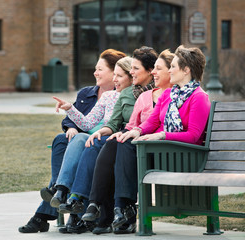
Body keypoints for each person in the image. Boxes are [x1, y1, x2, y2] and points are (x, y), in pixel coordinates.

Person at [84, 45, 211, 235]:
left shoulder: (199, 97)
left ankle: (122, 208)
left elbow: (193, 136)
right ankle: (110, 206)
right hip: (159, 150)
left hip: (182, 154)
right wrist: (135, 131)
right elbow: (150, 122)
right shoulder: (169, 94)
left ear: (186, 70)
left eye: (173, 67)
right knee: (118, 140)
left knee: (124, 144)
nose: (169, 71)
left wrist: (162, 135)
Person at [18, 49, 126, 233]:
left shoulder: (121, 97)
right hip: (79, 141)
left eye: (100, 69)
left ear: (115, 72)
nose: (95, 73)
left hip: (98, 144)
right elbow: (72, 120)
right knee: (61, 139)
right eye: (95, 69)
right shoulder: (87, 93)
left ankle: (51, 205)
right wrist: (71, 128)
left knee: (82, 140)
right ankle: (64, 199)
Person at [58, 46, 158, 234]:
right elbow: (112, 123)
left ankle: (106, 209)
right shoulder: (125, 95)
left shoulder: (155, 93)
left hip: (144, 144)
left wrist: (128, 131)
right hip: (123, 139)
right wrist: (100, 131)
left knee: (112, 145)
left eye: (131, 71)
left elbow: (149, 121)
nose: (116, 80)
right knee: (87, 141)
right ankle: (84, 203)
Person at [81, 49, 175, 235]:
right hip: (137, 144)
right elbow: (130, 124)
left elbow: (157, 125)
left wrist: (133, 132)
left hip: (159, 148)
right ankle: (104, 207)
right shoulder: (143, 96)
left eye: (136, 68)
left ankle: (118, 208)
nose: (132, 72)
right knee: (112, 142)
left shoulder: (171, 95)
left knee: (120, 143)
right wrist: (120, 132)